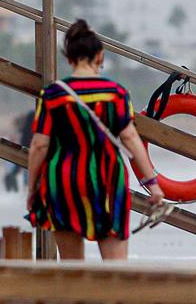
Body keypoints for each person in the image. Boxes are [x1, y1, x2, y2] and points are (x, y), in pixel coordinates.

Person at [26, 20, 165, 260]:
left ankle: (78, 298)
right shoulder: (116, 93)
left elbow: (39, 144)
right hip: (106, 182)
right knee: (114, 271)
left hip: (63, 182)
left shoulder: (53, 95)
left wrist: (32, 188)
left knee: (72, 272)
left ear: (69, 58)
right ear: (100, 56)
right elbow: (130, 138)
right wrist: (152, 182)